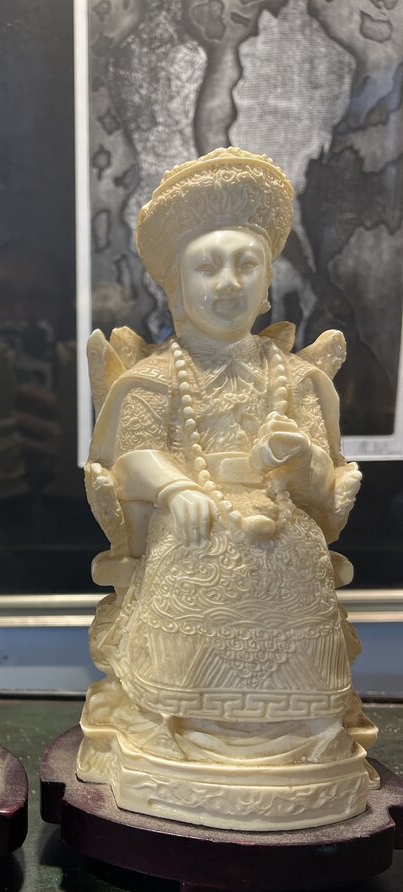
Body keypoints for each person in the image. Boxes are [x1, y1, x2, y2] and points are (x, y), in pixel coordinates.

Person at [79, 147, 376, 831]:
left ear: (268, 283)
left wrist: (298, 462)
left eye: (246, 265)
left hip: (278, 524)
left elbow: (325, 484)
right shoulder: (155, 378)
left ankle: (303, 725)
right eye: (207, 267)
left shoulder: (297, 380)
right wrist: (176, 486)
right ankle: (172, 716)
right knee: (197, 550)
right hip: (196, 525)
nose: (228, 282)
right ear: (178, 285)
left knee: (296, 555)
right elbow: (131, 458)